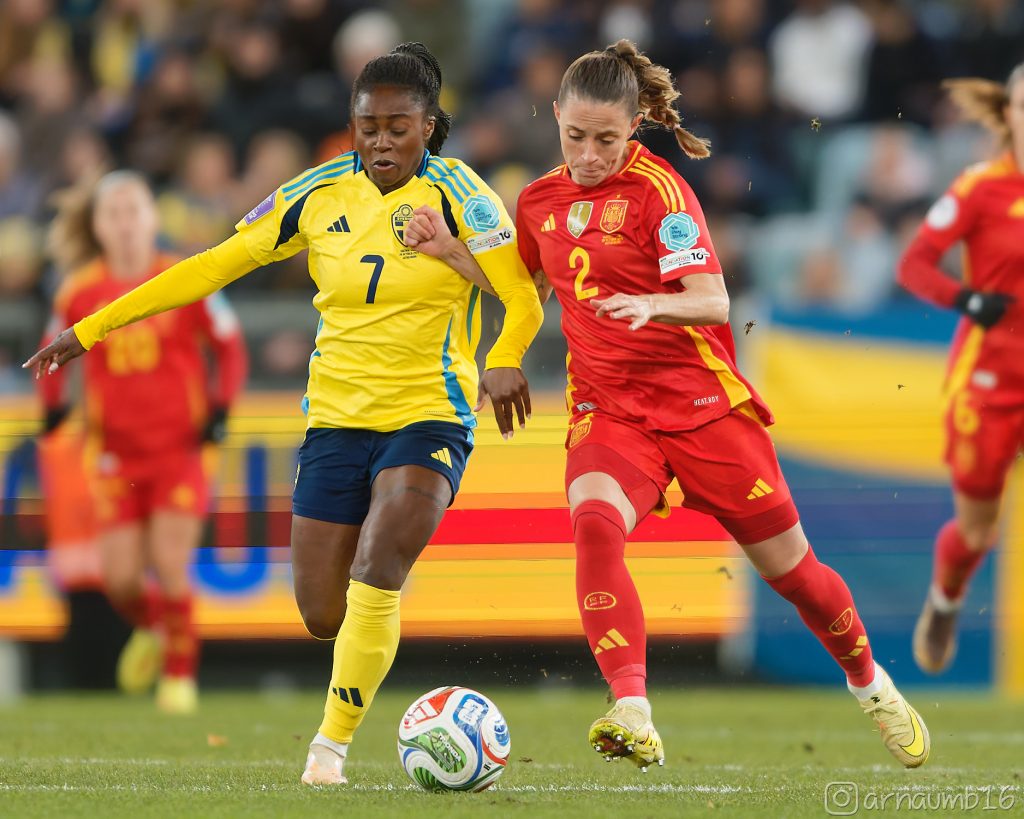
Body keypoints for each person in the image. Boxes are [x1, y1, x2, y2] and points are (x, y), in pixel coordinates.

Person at [26, 43, 543, 785]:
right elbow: (211, 266)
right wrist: (91, 329)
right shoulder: (316, 192)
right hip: (335, 419)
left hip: (432, 412)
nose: (381, 142)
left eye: (399, 127)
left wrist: (505, 355)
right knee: (323, 613)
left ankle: (326, 751)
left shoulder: (467, 196)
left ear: (429, 127)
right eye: (369, 126)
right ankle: (366, 637)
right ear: (352, 124)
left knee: (379, 563)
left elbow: (521, 296)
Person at [513, 39, 930, 771]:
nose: (587, 154)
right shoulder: (539, 201)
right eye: (574, 136)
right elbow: (522, 285)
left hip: (702, 407)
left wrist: (651, 302)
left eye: (606, 139)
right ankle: (631, 706)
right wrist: (453, 258)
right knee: (594, 522)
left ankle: (872, 684)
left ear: (636, 124)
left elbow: (713, 298)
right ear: (555, 118)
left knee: (793, 572)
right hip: (611, 411)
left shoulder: (662, 194)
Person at [38, 171, 248, 712]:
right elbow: (52, 354)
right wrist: (53, 407)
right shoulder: (80, 291)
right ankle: (158, 629)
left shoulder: (183, 277)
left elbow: (229, 347)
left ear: (153, 219)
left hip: (179, 450)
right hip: (113, 453)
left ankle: (179, 678)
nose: (127, 223)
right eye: (116, 213)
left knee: (171, 563)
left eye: (136, 211)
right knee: (120, 579)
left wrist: (221, 408)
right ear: (99, 226)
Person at [897, 63, 1024, 675]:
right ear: (1009, 115)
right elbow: (915, 265)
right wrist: (967, 300)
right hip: (991, 380)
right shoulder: (980, 188)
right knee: (976, 533)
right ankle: (945, 602)